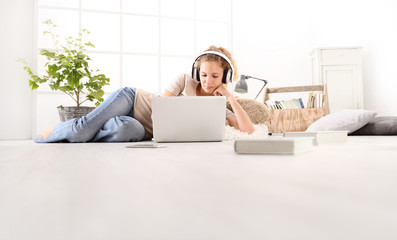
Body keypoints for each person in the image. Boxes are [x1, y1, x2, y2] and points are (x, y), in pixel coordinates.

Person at [35, 45, 255, 143]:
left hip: (140, 129)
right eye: (204, 74)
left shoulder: (220, 105)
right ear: (197, 72)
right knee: (80, 133)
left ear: (226, 77)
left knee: (124, 130)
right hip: (132, 100)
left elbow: (249, 130)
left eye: (215, 77)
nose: (208, 81)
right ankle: (57, 131)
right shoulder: (184, 80)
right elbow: (159, 112)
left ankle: (93, 126)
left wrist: (231, 98)